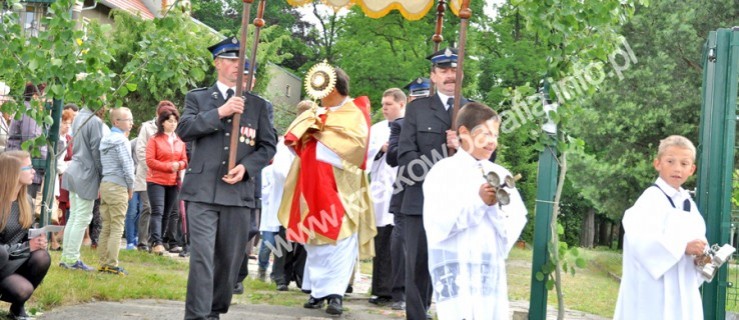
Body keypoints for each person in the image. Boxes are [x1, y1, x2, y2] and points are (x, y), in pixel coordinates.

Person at [177, 36, 276, 320]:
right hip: (202, 193)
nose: (237, 65)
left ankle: (214, 310)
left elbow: (268, 146)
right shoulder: (198, 98)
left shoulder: (258, 105)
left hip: (238, 194)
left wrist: (246, 167)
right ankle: (197, 315)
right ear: (217, 63)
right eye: (231, 60)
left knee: (229, 262)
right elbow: (185, 130)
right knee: (202, 258)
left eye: (240, 61)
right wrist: (221, 112)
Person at [278, 65, 375, 315]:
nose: (318, 93)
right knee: (313, 238)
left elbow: (357, 148)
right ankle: (317, 291)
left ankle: (336, 294)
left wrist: (320, 134)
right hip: (310, 180)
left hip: (341, 184)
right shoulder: (314, 111)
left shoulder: (355, 111)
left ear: (334, 88)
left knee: (341, 239)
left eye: (323, 88)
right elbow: (293, 142)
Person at [423, 102, 526, 319]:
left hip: (487, 268)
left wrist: (497, 211)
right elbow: (439, 223)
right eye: (486, 134)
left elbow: (516, 219)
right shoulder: (443, 172)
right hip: (457, 265)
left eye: (496, 135)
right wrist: (478, 202)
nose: (492, 142)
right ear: (464, 133)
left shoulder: (499, 173)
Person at [398, 47, 479, 320]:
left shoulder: (473, 112)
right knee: (418, 267)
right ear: (433, 76)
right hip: (421, 200)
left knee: (451, 269)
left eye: (455, 70)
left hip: (459, 206)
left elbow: (488, 157)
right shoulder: (417, 109)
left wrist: (464, 147)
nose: (449, 75)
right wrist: (443, 164)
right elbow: (406, 156)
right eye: (443, 70)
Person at [614, 135, 706, 320]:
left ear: (692, 169)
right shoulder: (649, 201)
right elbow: (642, 241)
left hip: (683, 295)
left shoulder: (689, 204)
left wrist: (703, 258)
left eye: (684, 163)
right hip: (652, 293)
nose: (677, 168)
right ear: (658, 164)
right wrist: (682, 247)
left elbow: (699, 242)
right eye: (670, 161)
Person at [258, 100, 313, 291]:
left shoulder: (314, 137)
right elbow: (280, 170)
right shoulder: (287, 140)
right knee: (285, 237)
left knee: (305, 238)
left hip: (307, 197)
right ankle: (280, 275)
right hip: (289, 196)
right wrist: (302, 176)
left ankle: (299, 274)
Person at [0, 151, 51, 320]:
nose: (33, 171)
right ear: (13, 172)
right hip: (1, 261)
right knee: (22, 288)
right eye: (28, 167)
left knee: (42, 257)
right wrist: (27, 247)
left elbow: (24, 235)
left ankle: (17, 308)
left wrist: (36, 240)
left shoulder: (26, 200)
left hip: (14, 261)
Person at [367, 88, 406, 307]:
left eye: (389, 104)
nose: (384, 108)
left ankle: (399, 289)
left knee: (400, 241)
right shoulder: (377, 129)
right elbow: (365, 157)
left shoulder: (411, 126)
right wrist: (380, 150)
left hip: (402, 186)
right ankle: (381, 289)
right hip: (382, 190)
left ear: (401, 104)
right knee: (382, 241)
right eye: (382, 104)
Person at [59, 104, 107, 271]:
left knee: (74, 217)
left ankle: (67, 257)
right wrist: (103, 175)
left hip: (74, 169)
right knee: (82, 218)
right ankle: (71, 259)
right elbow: (96, 152)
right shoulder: (94, 121)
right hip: (86, 172)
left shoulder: (79, 116)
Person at [97, 107, 135, 275]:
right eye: (128, 119)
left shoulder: (105, 139)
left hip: (105, 184)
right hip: (118, 185)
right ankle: (112, 264)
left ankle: (102, 262)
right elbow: (127, 166)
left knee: (106, 225)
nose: (131, 123)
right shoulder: (121, 140)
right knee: (117, 226)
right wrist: (131, 186)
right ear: (116, 122)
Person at [135, 101, 177, 252]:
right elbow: (140, 151)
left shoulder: (174, 133)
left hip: (166, 178)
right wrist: (154, 168)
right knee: (148, 207)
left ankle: (156, 240)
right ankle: (142, 242)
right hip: (148, 175)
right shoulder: (147, 128)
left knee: (163, 210)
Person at [146, 107, 187, 255]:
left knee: (167, 213)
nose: (173, 124)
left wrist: (179, 165)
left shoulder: (179, 142)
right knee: (157, 211)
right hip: (156, 180)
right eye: (170, 121)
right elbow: (150, 161)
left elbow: (184, 160)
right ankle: (156, 241)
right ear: (162, 122)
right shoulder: (154, 139)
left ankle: (158, 240)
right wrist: (169, 166)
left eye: (175, 121)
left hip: (173, 182)